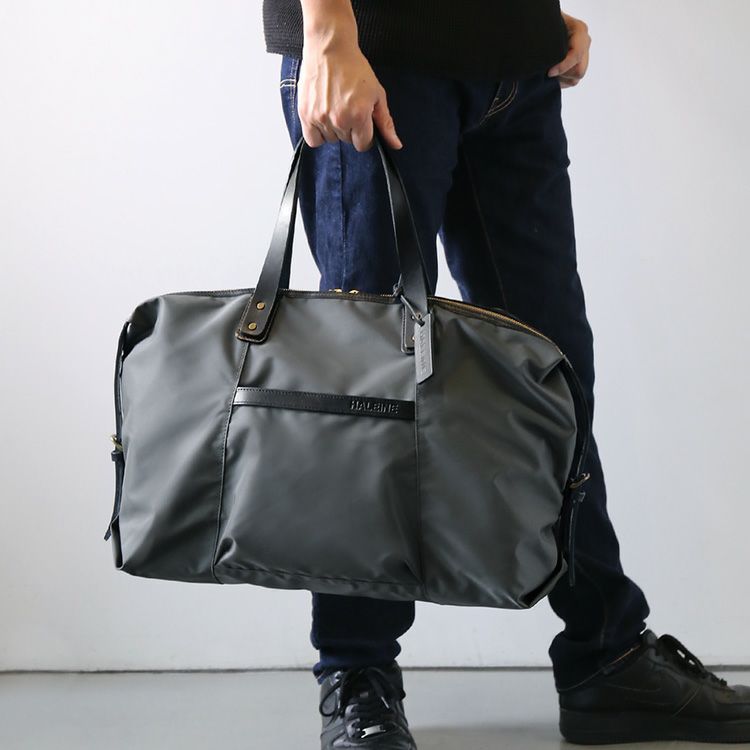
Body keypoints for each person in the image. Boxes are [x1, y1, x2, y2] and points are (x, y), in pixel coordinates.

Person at [262, 1, 750, 747]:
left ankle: (607, 656)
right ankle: (356, 673)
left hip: (513, 62)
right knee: (370, 380)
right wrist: (328, 34)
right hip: (378, 50)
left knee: (553, 371)